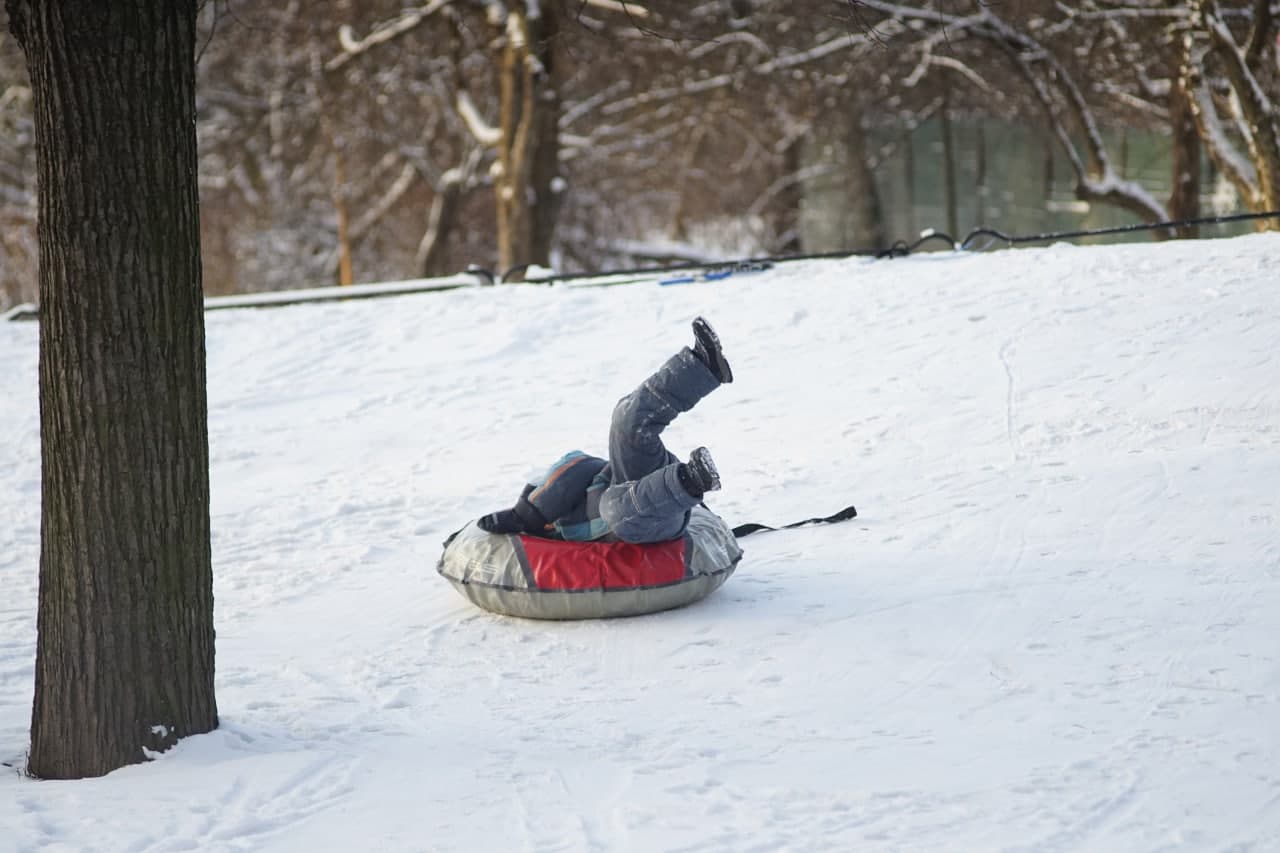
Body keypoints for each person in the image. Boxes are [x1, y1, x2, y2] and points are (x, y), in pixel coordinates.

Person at [477, 317, 733, 545]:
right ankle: (691, 480)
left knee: (626, 419)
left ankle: (703, 366)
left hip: (632, 477)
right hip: (654, 519)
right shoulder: (565, 532)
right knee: (613, 509)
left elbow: (579, 464)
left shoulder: (551, 503)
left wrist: (526, 515)